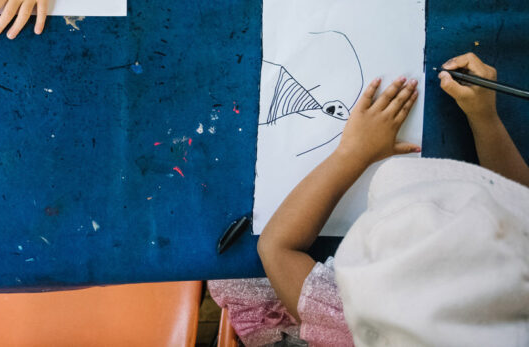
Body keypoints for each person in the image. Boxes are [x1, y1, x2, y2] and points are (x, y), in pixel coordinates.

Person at [211, 54, 529, 346]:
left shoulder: (360, 323)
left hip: (281, 317)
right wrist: (486, 118)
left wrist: (352, 154)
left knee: (233, 281)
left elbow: (276, 248)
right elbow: (520, 203)